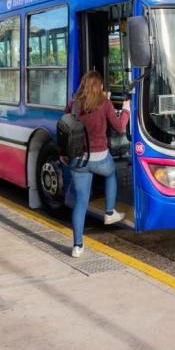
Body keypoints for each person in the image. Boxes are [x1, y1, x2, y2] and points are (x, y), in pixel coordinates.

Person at [64, 71, 130, 258]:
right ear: (99, 86)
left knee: (81, 203)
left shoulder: (74, 105)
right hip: (100, 158)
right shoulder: (105, 104)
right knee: (111, 175)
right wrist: (125, 110)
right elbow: (119, 127)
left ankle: (77, 246)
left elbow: (64, 127)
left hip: (78, 160)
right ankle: (109, 212)